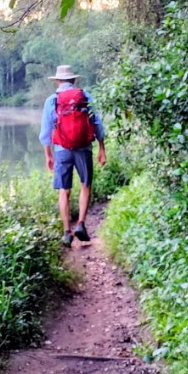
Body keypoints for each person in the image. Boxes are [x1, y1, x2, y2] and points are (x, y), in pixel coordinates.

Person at [40, 65, 106, 247]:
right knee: (86, 185)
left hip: (62, 150)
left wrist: (48, 155)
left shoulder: (51, 100)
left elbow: (45, 132)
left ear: (57, 81)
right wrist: (102, 148)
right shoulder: (85, 97)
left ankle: (66, 232)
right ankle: (81, 225)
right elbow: (97, 123)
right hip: (84, 148)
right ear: (74, 80)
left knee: (64, 190)